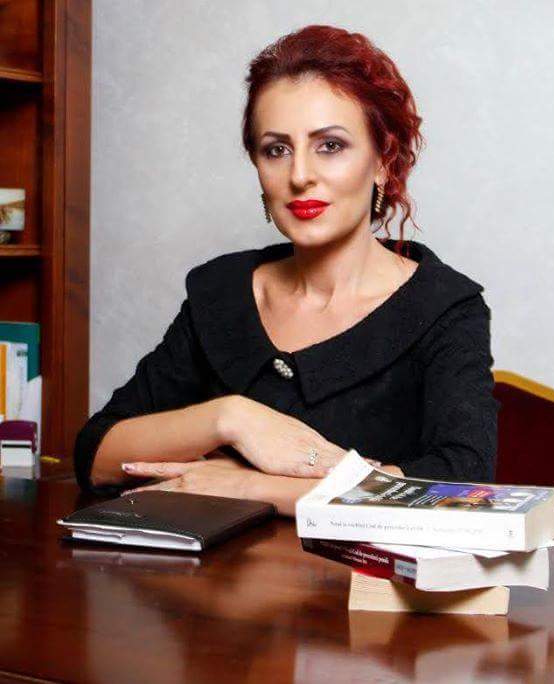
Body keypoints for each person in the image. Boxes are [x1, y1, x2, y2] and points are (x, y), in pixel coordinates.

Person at [74, 24, 500, 516]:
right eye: (276, 149)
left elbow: (461, 485)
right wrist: (230, 418)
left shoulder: (444, 307)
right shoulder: (222, 291)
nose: (299, 176)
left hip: (351, 570)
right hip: (209, 567)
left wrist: (255, 489)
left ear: (383, 160)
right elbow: (97, 455)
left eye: (330, 145)